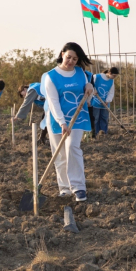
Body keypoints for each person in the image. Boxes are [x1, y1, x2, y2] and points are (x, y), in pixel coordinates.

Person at [42, 42, 95, 201]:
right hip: (57, 119)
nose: (71, 61)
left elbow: (88, 96)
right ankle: (64, 188)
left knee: (72, 147)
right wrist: (61, 123)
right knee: (59, 155)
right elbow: (53, 102)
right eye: (68, 57)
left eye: (74, 58)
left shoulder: (81, 73)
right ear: (62, 55)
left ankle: (78, 187)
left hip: (77, 117)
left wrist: (89, 87)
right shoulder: (51, 76)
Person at [89, 67, 118, 137]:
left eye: (115, 76)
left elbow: (111, 92)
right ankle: (94, 134)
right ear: (109, 73)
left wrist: (108, 100)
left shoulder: (111, 81)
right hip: (95, 102)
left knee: (104, 119)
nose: (114, 77)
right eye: (113, 75)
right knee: (95, 118)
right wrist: (93, 90)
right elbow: (89, 84)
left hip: (105, 103)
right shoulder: (97, 77)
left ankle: (103, 134)